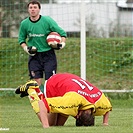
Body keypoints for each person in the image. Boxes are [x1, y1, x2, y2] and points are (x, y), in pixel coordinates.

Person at [15, 73, 112, 128]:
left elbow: (107, 103)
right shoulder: (71, 101)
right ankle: (32, 89)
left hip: (68, 82)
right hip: (55, 84)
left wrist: (105, 123)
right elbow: (42, 104)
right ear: (77, 115)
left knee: (59, 126)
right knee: (51, 123)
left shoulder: (99, 103)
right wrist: (46, 126)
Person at [18, 0, 67, 92]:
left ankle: (50, 102)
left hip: (48, 55)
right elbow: (21, 39)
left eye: (35, 7)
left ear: (39, 9)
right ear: (28, 10)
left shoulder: (47, 21)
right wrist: (26, 48)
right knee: (36, 82)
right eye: (31, 8)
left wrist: (62, 44)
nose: (33, 10)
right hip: (34, 56)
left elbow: (62, 33)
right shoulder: (24, 24)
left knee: (50, 81)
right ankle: (39, 103)